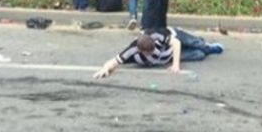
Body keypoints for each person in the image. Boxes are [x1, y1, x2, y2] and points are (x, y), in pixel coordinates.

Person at [94, 27, 224, 78]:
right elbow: (116, 60)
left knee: (197, 44)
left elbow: (176, 43)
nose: (151, 54)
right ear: (140, 50)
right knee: (199, 55)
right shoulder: (133, 50)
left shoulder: (157, 36)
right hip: (167, 57)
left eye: (152, 50)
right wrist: (105, 69)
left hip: (174, 40)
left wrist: (176, 65)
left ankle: (208, 46)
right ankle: (205, 51)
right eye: (148, 53)